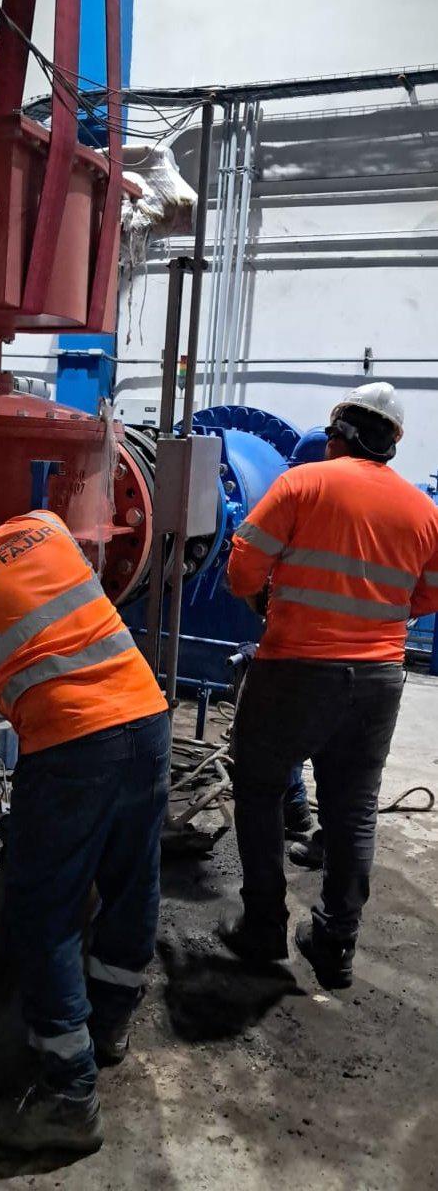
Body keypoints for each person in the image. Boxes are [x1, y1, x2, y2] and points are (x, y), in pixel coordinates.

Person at [0, 477, 170, 1153]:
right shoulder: (46, 527)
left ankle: (68, 1099)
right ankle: (109, 1026)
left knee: (43, 910)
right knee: (132, 879)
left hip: (72, 747)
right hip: (148, 718)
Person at [220, 382, 438, 988]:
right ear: (392, 444)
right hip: (378, 680)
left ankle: (264, 928)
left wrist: (272, 599)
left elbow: (242, 568)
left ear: (338, 431)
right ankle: (336, 944)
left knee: (259, 790)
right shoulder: (423, 509)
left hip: (293, 669)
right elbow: (430, 593)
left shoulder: (301, 484)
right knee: (353, 811)